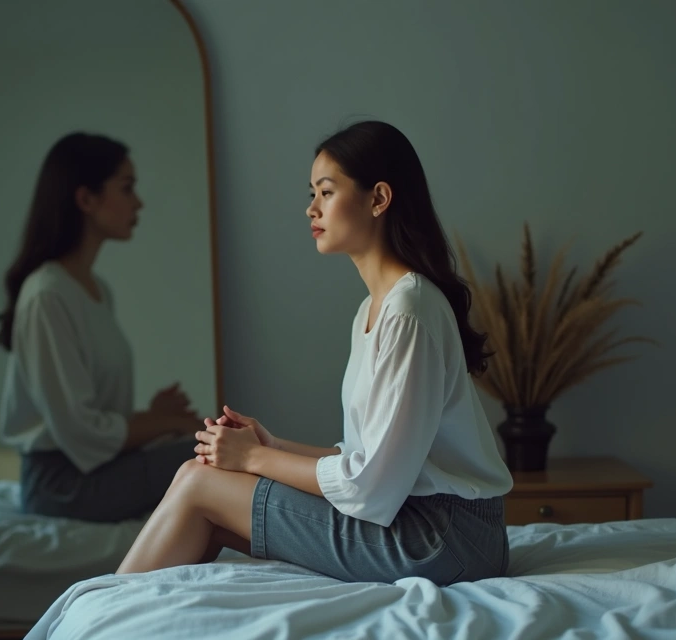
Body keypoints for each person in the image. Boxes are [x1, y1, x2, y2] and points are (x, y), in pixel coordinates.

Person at [115, 121, 514, 584]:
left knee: (200, 483)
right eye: (312, 194)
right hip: (425, 526)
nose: (311, 209)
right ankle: (111, 616)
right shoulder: (376, 307)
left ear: (378, 199)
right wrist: (270, 445)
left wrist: (251, 460)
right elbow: (369, 457)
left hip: (442, 539)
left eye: (326, 192)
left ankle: (87, 615)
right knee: (201, 486)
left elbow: (371, 487)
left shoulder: (409, 310)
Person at [0, 132, 203, 523]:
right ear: (86, 199)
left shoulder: (94, 290)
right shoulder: (47, 295)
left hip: (95, 468)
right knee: (207, 455)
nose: (138, 202)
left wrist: (152, 417)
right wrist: (167, 422)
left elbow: (87, 422)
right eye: (127, 188)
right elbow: (81, 433)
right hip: (61, 486)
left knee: (212, 450)